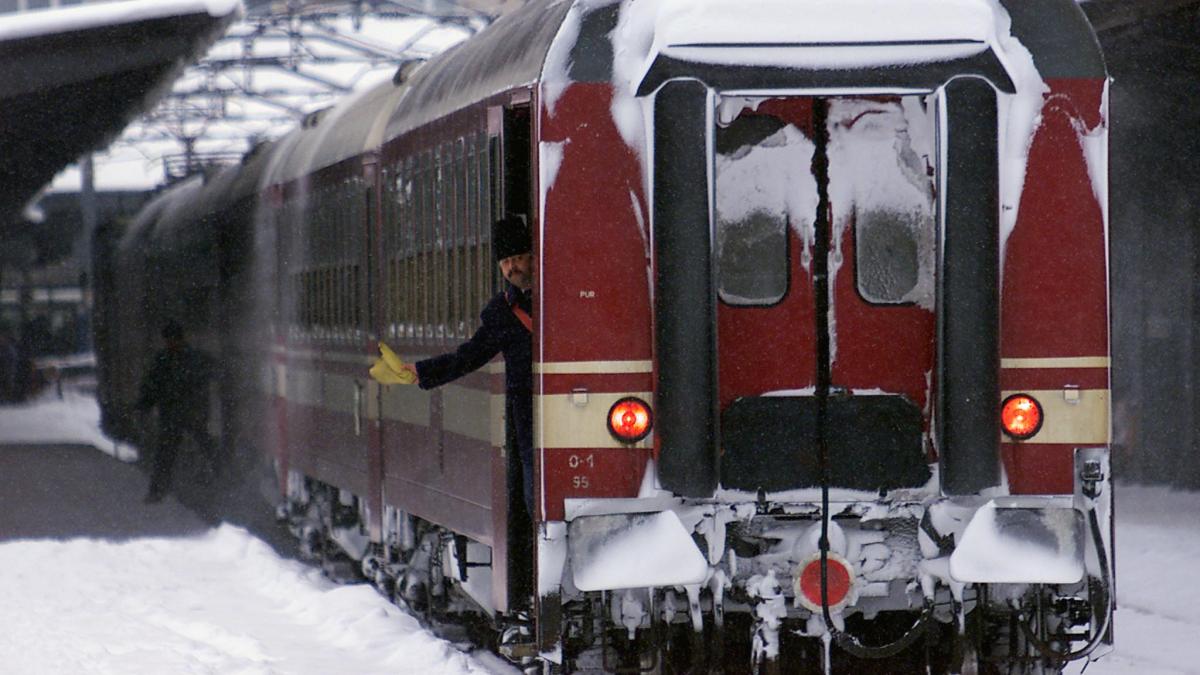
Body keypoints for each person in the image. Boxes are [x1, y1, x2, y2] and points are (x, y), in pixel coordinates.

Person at [136, 319, 217, 503]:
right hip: (182, 414)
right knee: (168, 454)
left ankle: (157, 491)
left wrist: (144, 406)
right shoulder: (190, 359)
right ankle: (157, 491)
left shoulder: (170, 360)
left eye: (172, 339)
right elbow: (151, 386)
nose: (171, 343)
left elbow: (151, 386)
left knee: (169, 454)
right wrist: (144, 406)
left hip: (181, 414)